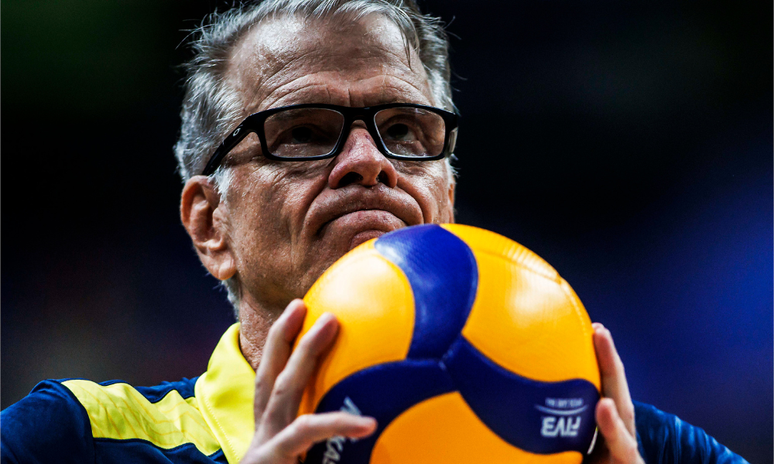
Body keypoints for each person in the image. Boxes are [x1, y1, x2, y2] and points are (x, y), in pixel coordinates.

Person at [0, 1, 748, 463]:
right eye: (301, 132)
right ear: (209, 224)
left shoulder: (619, 446)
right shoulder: (75, 443)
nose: (368, 162)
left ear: (446, 196)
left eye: (405, 130)